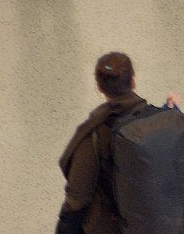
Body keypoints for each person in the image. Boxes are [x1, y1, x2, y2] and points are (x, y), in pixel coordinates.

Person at [56, 53, 150, 234]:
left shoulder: (95, 135)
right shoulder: (158, 120)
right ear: (133, 81)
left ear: (99, 87)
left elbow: (77, 199)